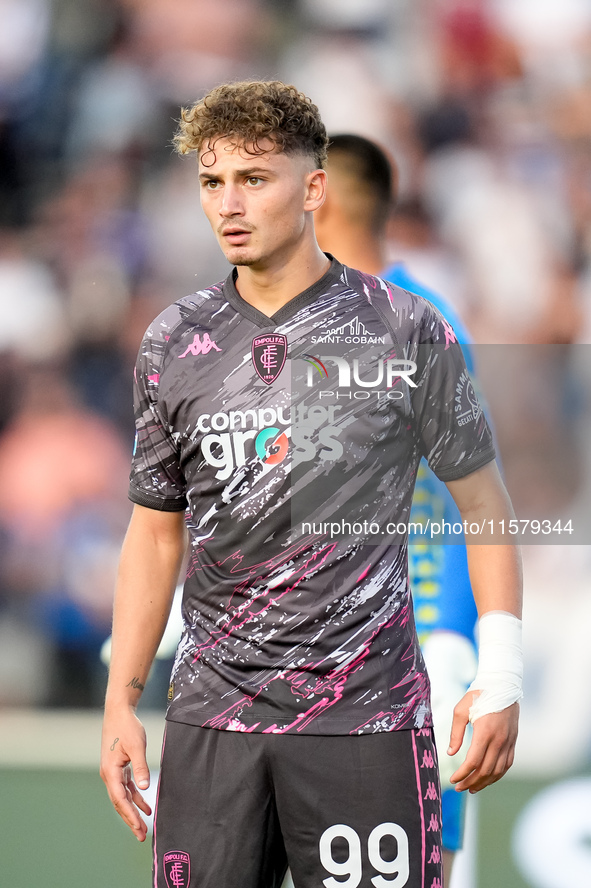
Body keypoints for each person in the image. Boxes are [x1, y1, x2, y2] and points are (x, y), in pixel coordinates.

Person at [100, 80, 523, 888]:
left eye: (253, 179)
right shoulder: (172, 341)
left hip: (366, 716)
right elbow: (155, 531)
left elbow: (483, 505)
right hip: (210, 719)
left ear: (313, 189)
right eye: (211, 181)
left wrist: (497, 672)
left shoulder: (406, 328)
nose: (229, 202)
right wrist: (122, 698)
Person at [313, 133, 482, 885]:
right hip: (319, 648)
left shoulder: (420, 322)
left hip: (407, 647)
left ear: (323, 201)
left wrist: (449, 634)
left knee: (416, 860)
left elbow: (467, 495)